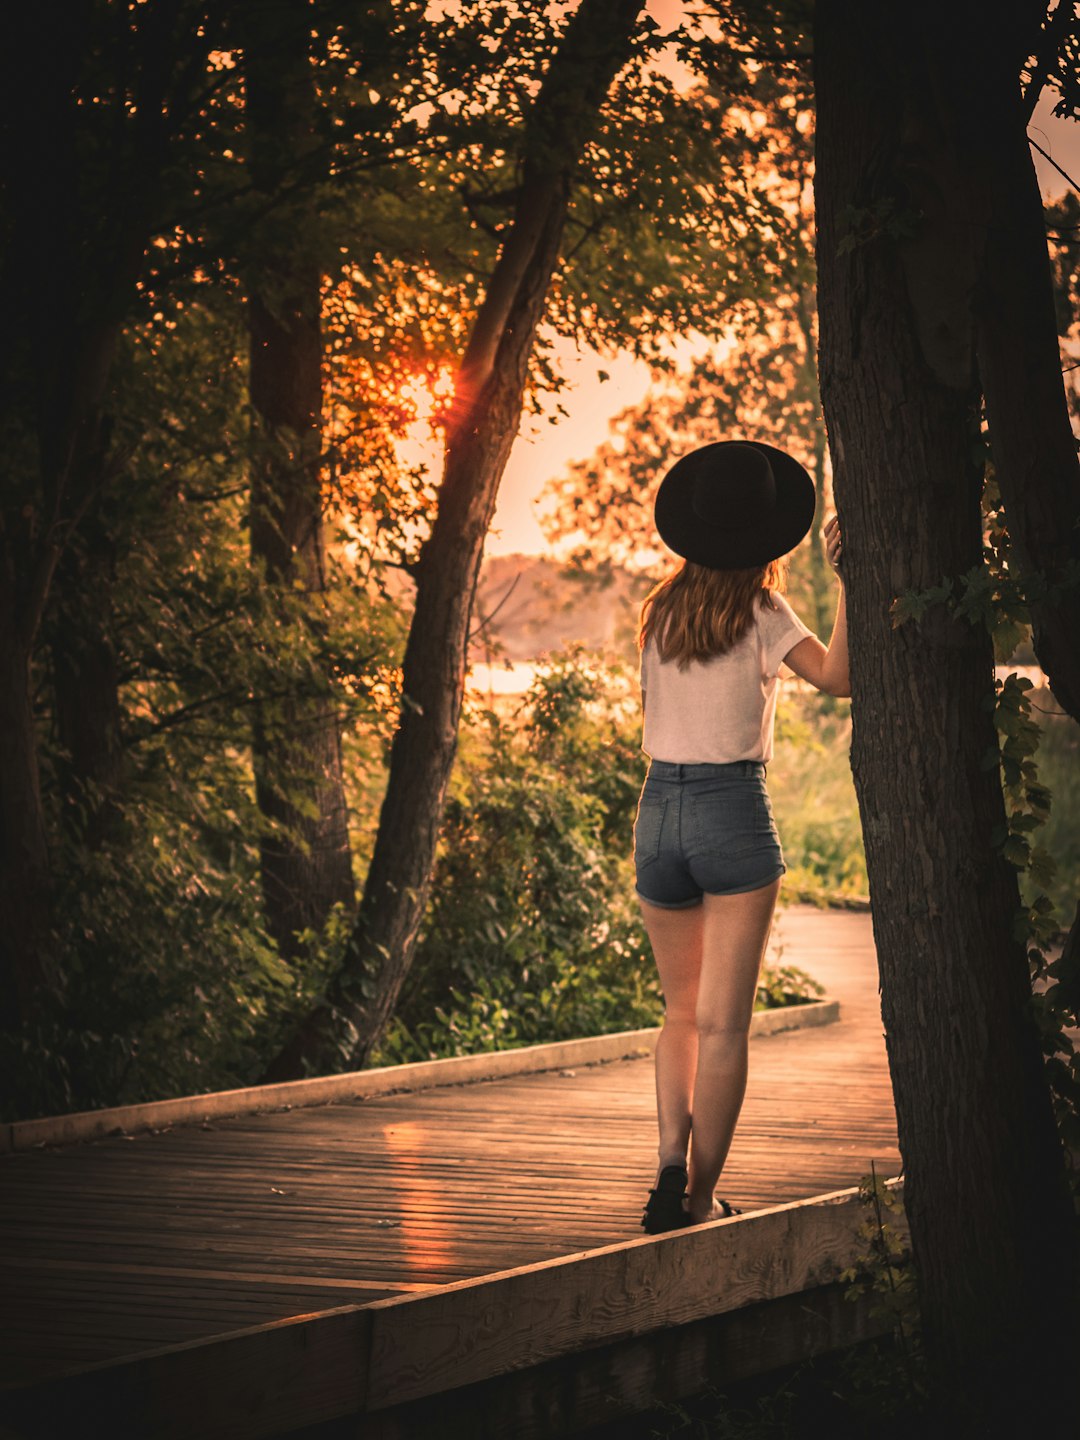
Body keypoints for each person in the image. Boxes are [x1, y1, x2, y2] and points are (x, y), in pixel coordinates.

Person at [636, 439, 848, 1234]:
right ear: (766, 534)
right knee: (725, 1025)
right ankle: (695, 1198)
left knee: (679, 1014)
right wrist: (847, 583)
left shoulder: (660, 612)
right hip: (731, 810)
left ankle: (665, 1161)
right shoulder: (763, 612)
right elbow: (837, 679)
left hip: (658, 812)